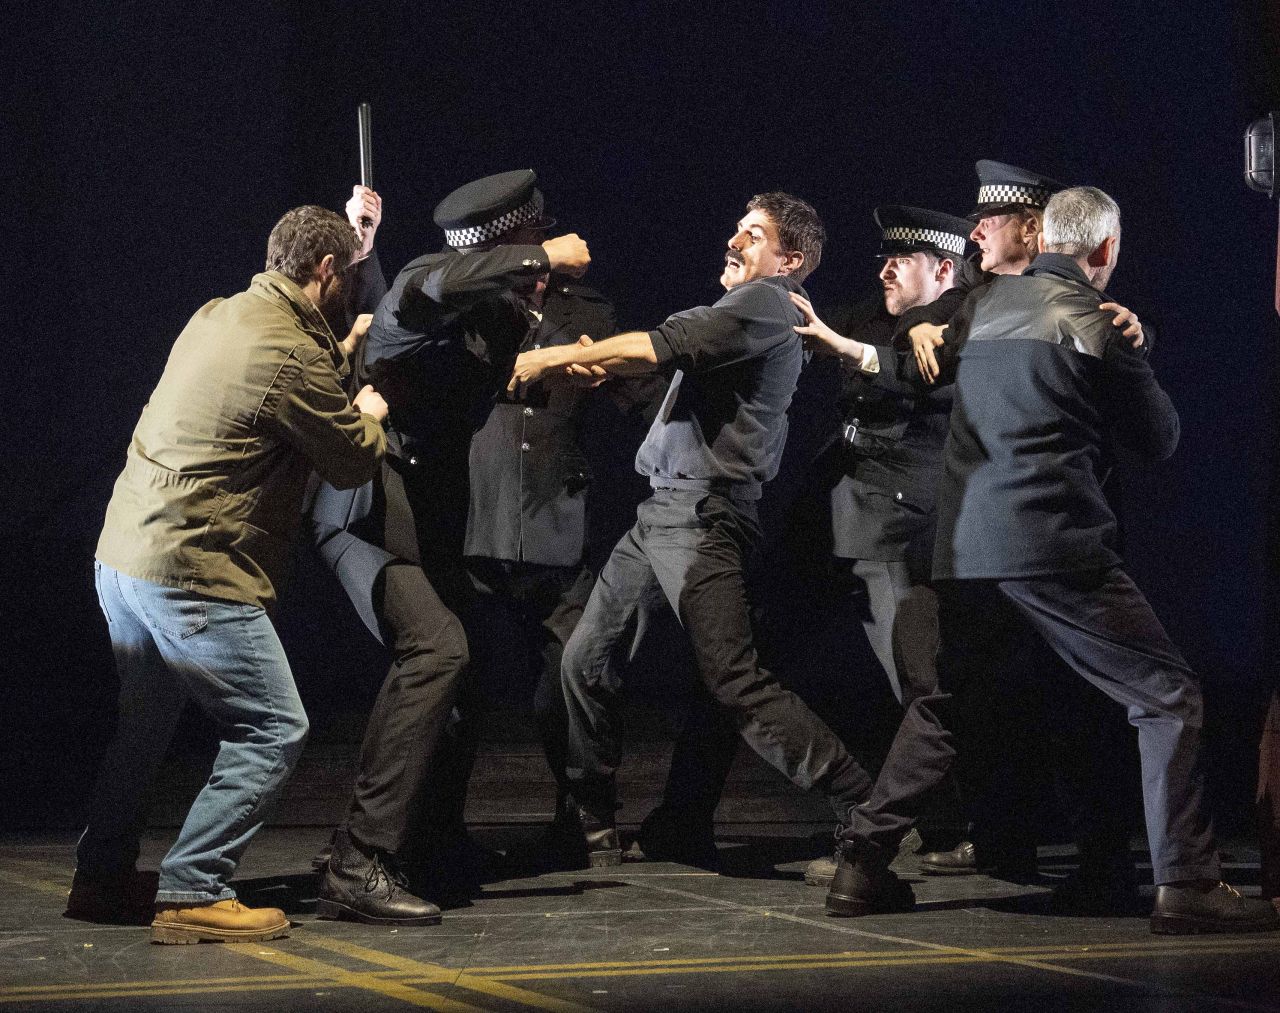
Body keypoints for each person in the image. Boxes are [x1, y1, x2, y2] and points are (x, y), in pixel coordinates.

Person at [826, 187, 1280, 935]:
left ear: (1042, 238)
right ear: (1105, 250)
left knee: (947, 702)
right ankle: (1189, 881)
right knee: (1167, 695)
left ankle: (861, 861)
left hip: (965, 548)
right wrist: (1134, 346)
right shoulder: (1094, 322)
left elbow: (915, 361)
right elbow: (1159, 439)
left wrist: (918, 335)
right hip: (1052, 545)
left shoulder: (978, 308)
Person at [508, 193, 904, 904]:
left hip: (702, 517)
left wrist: (558, 354)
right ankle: (593, 824)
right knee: (584, 659)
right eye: (738, 229)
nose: (735, 241)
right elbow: (668, 381)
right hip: (659, 513)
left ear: (789, 259)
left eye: (753, 235)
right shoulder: (747, 310)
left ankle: (865, 808)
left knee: (735, 680)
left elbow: (657, 344)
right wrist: (605, 371)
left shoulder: (767, 302)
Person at [67, 206, 388, 943]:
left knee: (144, 724)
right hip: (192, 571)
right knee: (274, 726)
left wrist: (344, 341)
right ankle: (193, 888)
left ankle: (100, 875)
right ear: (326, 271)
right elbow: (349, 457)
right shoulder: (289, 353)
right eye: (345, 275)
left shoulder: (219, 314)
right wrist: (372, 409)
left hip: (125, 557)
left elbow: (285, 378)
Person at [310, 169, 596, 913]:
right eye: (529, 243)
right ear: (501, 246)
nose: (542, 266)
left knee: (470, 665)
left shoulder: (494, 317)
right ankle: (359, 854)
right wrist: (541, 256)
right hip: (366, 508)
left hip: (424, 511)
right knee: (437, 650)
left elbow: (456, 375)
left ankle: (429, 838)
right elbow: (430, 287)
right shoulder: (426, 285)